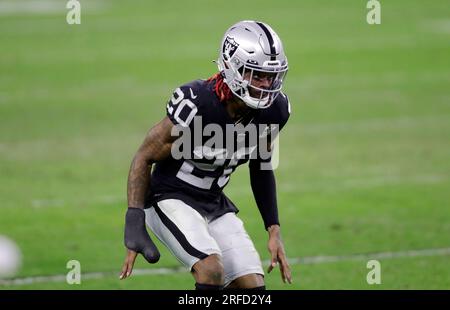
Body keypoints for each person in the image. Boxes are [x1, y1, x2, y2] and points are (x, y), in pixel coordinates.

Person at [119, 20, 292, 290]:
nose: (266, 84)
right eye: (256, 75)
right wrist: (134, 219)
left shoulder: (274, 110)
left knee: (253, 288)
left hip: (213, 202)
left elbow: (261, 166)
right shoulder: (198, 103)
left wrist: (273, 228)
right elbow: (144, 156)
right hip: (169, 196)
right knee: (211, 269)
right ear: (232, 68)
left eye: (270, 76)